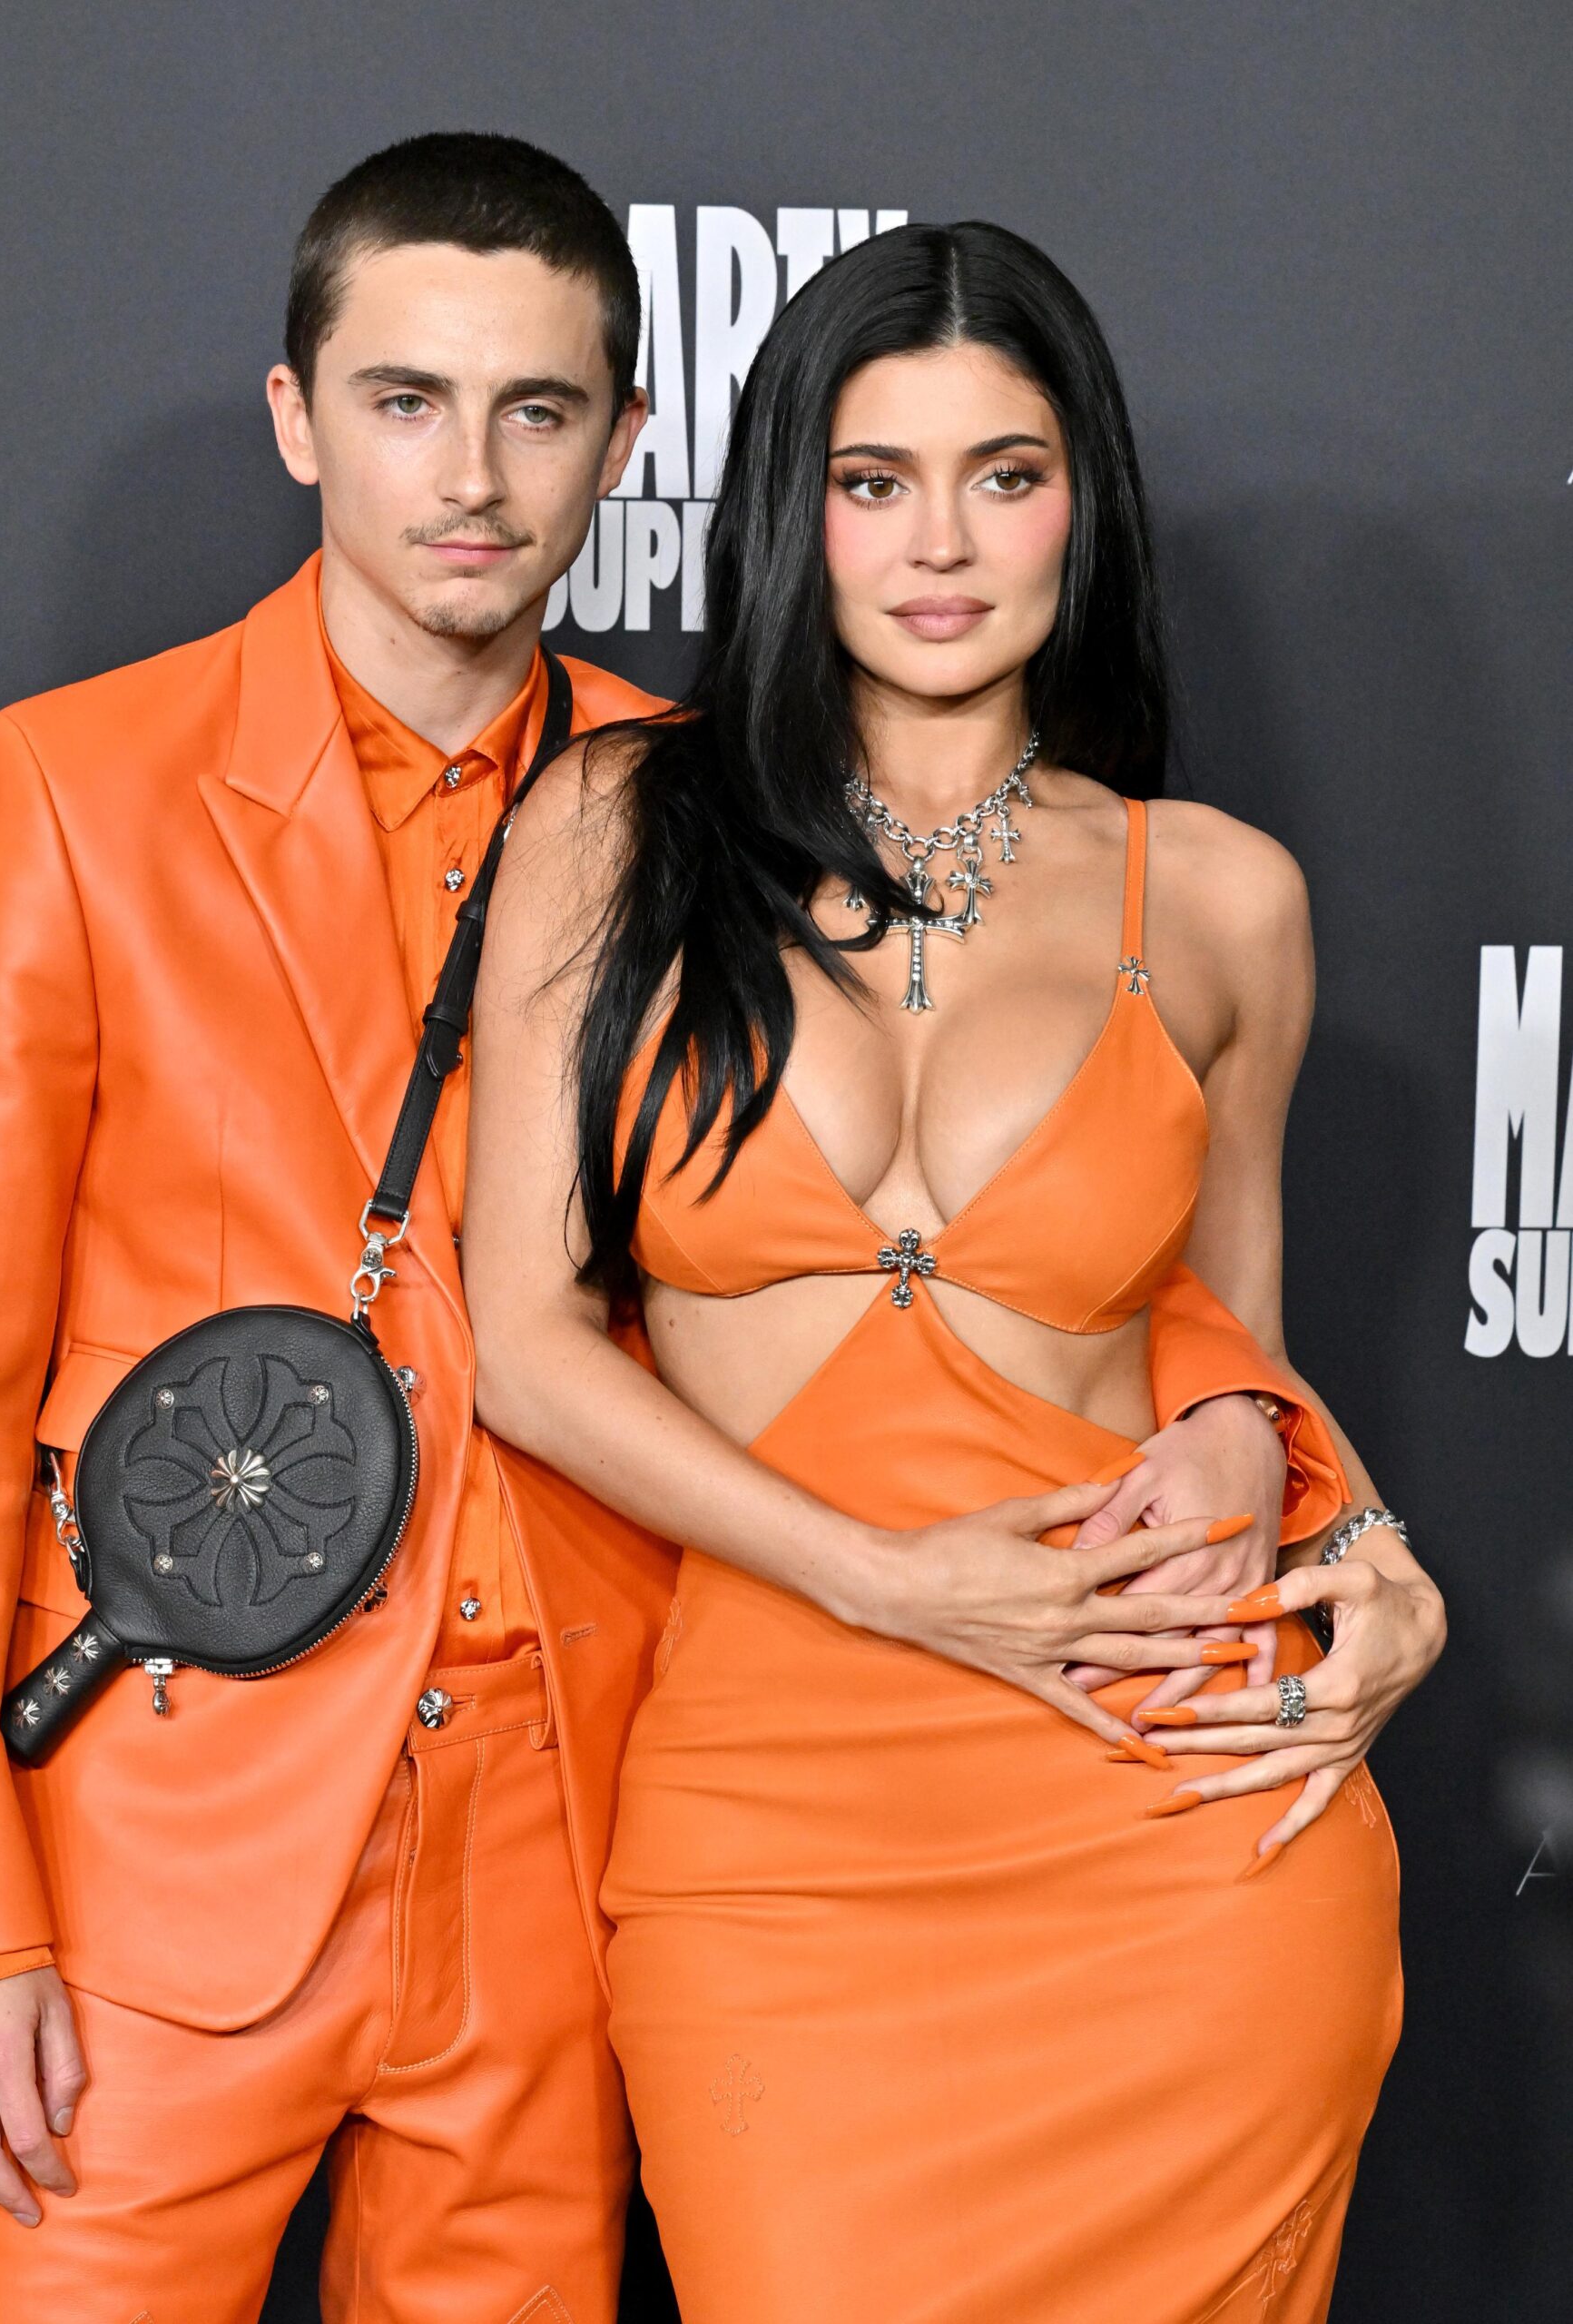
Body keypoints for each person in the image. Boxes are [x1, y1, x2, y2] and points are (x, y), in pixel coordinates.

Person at [0, 136, 1372, 2316]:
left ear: (624, 443)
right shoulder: (82, 785)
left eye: (536, 410)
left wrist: (1282, 1460)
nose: (471, 477)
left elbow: (1102, 1240)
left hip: (573, 1843)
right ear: (296, 417)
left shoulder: (710, 804)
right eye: (405, 401)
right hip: (172, 1844)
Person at [463, 220, 1445, 2322]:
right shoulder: (614, 824)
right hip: (777, 1823)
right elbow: (522, 1341)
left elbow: (1231, 1349)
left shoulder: (1220, 898)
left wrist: (1368, 1544)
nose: (939, 542)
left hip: (1169, 1809)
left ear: (1081, 505)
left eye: (1004, 474)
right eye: (871, 477)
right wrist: (882, 1577)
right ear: (788, 506)